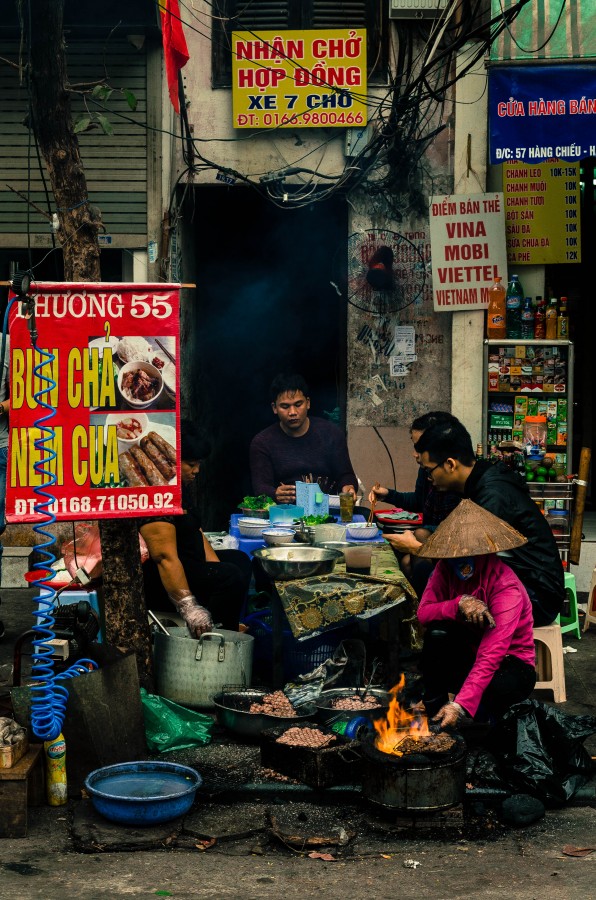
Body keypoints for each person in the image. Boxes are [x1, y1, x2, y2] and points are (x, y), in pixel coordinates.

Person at [414, 420, 565, 626]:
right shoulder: (480, 481)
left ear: (450, 464)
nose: (428, 478)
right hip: (523, 584)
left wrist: (419, 548)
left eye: (429, 470)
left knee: (434, 576)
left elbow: (469, 561)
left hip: (536, 597)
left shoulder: (492, 495)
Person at [416, 499, 536, 729]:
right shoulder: (445, 569)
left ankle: (476, 721)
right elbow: (423, 613)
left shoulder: (505, 586)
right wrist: (458, 604)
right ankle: (435, 716)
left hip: (509, 663)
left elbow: (492, 653)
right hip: (469, 652)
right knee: (436, 634)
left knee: (493, 693)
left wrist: (460, 706)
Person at [140, 420, 252, 636]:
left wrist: (216, 569)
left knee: (238, 561)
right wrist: (189, 607)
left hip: (189, 563)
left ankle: (225, 625)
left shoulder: (181, 486)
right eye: (191, 463)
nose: (197, 470)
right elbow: (164, 558)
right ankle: (212, 638)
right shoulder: (157, 494)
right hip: (161, 579)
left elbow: (195, 530)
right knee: (230, 576)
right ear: (170, 459)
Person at [368, 411, 461, 596]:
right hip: (429, 542)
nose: (415, 454)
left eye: (420, 446)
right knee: (405, 561)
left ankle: (428, 612)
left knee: (418, 537)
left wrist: (415, 541)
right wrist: (387, 494)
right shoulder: (425, 470)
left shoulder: (456, 472)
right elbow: (419, 502)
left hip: (454, 549)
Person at [250, 373, 358, 504]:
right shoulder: (262, 442)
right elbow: (260, 488)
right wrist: (274, 494)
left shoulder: (331, 434)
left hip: (328, 512)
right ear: (274, 408)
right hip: (284, 514)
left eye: (298, 404)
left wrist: (349, 487)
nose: (293, 412)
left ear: (308, 403)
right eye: (285, 406)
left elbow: (345, 475)